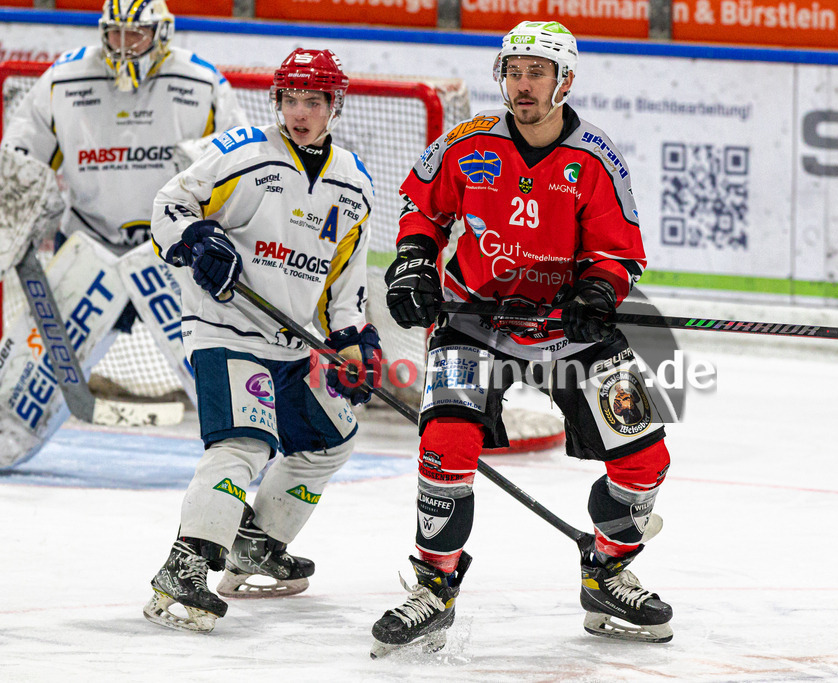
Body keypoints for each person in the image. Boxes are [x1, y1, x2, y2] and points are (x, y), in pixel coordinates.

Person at [371, 21, 673, 657]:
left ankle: (607, 572)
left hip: (565, 328)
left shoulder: (595, 158)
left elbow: (617, 253)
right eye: (514, 71)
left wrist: (598, 293)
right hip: (474, 321)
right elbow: (422, 210)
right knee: (445, 445)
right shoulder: (468, 142)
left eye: (538, 72)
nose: (523, 84)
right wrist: (415, 263)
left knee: (644, 462)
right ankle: (434, 587)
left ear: (565, 81)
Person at [144, 48, 379, 633]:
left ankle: (256, 545)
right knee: (244, 443)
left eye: (313, 101)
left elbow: (343, 285)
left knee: (332, 440)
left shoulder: (354, 184)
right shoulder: (244, 152)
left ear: (334, 106)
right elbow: (169, 205)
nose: (300, 113)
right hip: (225, 329)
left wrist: (354, 342)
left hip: (292, 345)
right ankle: (184, 566)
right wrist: (197, 240)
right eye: (290, 100)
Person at [0, 0, 247, 466]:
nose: (125, 45)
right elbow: (17, 157)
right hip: (88, 245)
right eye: (115, 34)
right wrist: (25, 206)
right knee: (22, 389)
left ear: (162, 32)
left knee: (216, 361)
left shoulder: (202, 82)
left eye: (137, 34)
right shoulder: (64, 79)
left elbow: (241, 166)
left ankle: (252, 445)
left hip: (173, 252)